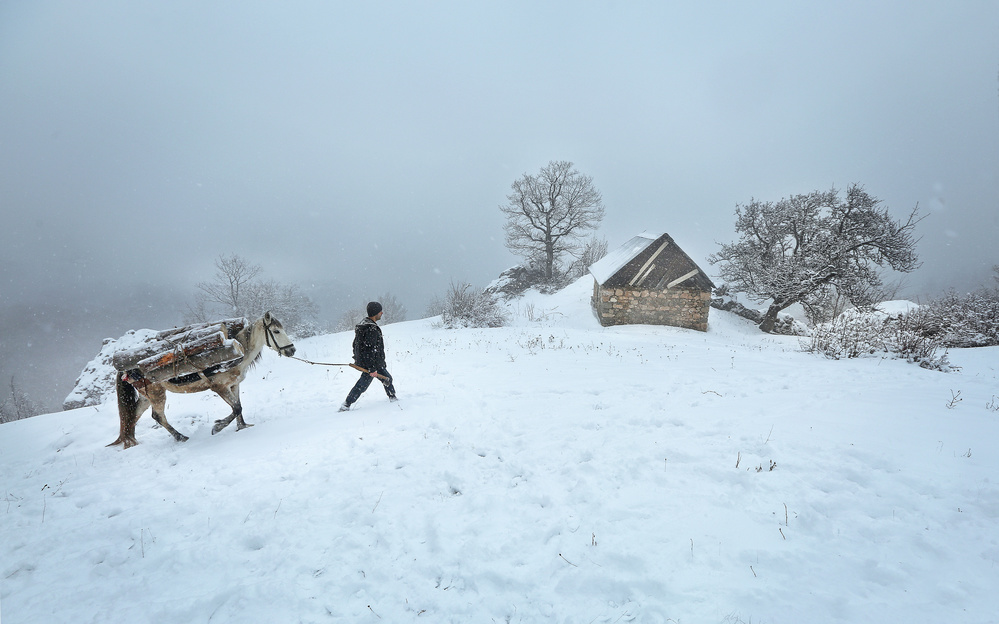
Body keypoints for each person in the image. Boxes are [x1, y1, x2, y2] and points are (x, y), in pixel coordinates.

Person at [339, 301, 397, 411]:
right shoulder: (371, 329)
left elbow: (355, 344)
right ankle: (346, 404)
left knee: (380, 381)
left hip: (370, 363)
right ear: (376, 313)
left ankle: (392, 397)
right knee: (366, 384)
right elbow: (369, 350)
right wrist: (371, 368)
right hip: (372, 364)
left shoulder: (364, 325)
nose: (382, 313)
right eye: (380, 312)